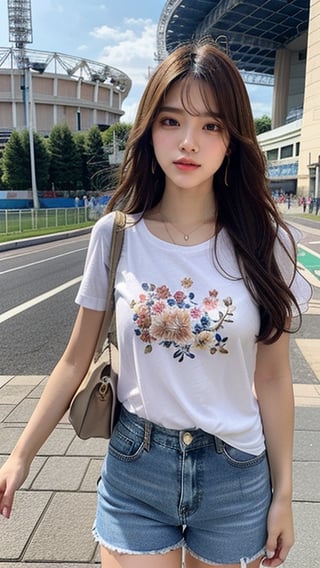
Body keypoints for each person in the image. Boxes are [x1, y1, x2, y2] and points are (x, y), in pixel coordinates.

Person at [0, 40, 312, 568]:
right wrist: (20, 454)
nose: (188, 142)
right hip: (136, 466)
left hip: (236, 473)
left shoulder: (268, 243)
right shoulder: (115, 236)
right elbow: (75, 358)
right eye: (171, 120)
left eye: (211, 125)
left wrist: (284, 495)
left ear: (233, 140)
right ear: (149, 129)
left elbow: (275, 378)